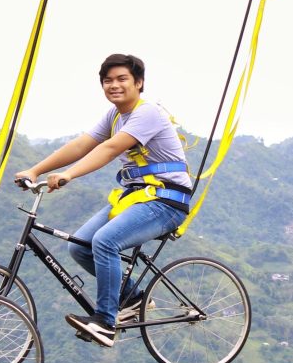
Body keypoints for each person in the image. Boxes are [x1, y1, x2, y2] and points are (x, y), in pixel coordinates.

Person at [12, 53, 192, 347]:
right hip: (135, 198)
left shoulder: (148, 113)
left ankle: (105, 322)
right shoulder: (114, 117)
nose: (114, 85)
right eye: (108, 81)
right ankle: (134, 299)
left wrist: (69, 175)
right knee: (80, 247)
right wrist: (36, 170)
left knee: (105, 242)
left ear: (139, 83)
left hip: (166, 201)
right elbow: (82, 144)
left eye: (122, 79)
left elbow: (110, 149)